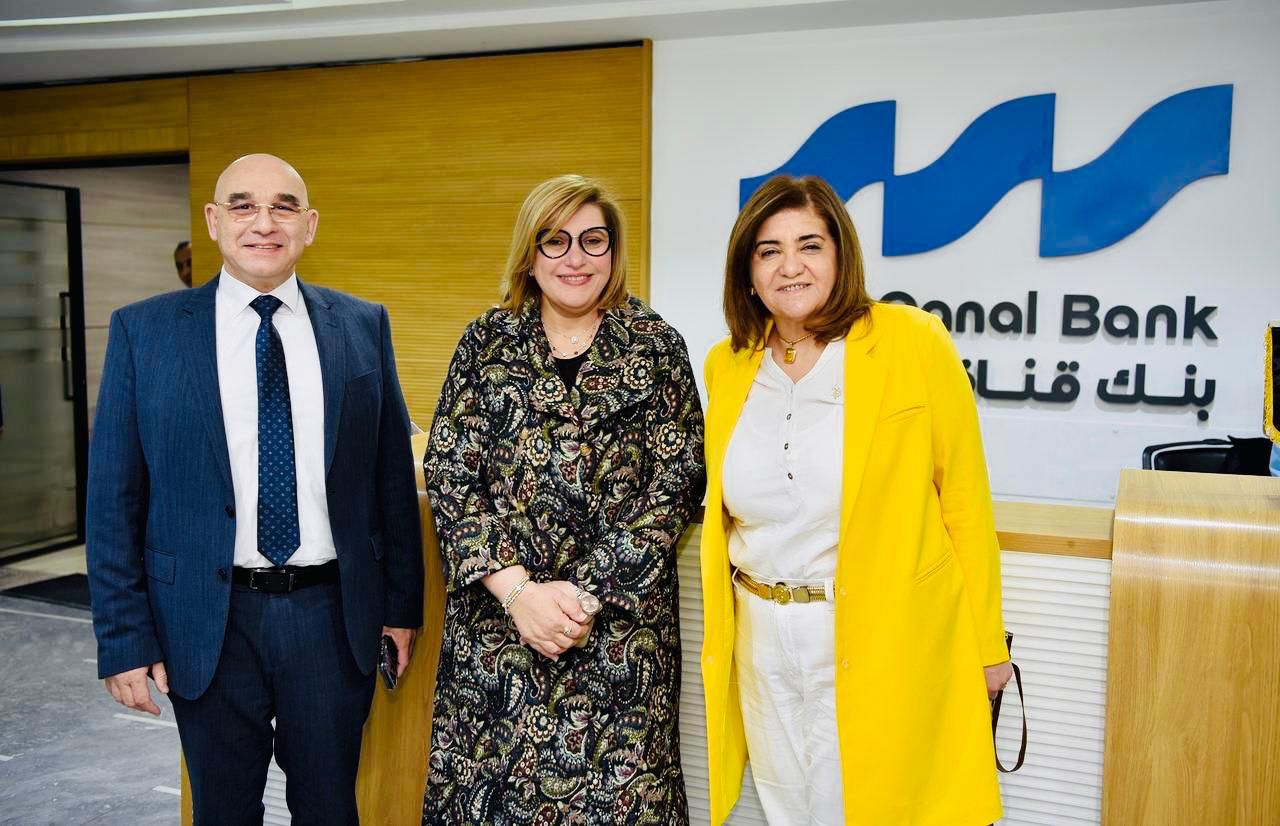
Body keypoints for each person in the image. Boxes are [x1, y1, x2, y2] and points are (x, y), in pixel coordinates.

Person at [86, 153, 424, 825]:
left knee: (330, 808)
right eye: (243, 206)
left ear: (309, 225)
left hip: (331, 619)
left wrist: (401, 608)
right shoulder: (144, 332)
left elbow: (390, 478)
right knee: (223, 811)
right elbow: (113, 500)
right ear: (214, 221)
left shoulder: (362, 325)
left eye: (283, 207)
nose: (263, 223)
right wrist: (124, 638)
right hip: (205, 621)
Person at [699, 175, 1012, 825]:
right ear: (747, 271)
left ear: (841, 256)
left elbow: (965, 501)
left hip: (877, 630)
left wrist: (988, 648)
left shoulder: (911, 340)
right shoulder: (727, 363)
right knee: (787, 807)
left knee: (875, 806)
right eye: (768, 251)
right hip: (762, 637)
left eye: (809, 245)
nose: (790, 266)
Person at [422, 174, 705, 824]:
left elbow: (678, 482)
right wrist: (519, 594)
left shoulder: (655, 345)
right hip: (500, 637)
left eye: (592, 240)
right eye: (555, 241)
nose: (575, 258)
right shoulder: (485, 342)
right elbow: (451, 472)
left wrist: (579, 598)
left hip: (619, 640)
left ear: (614, 250)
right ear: (530, 253)